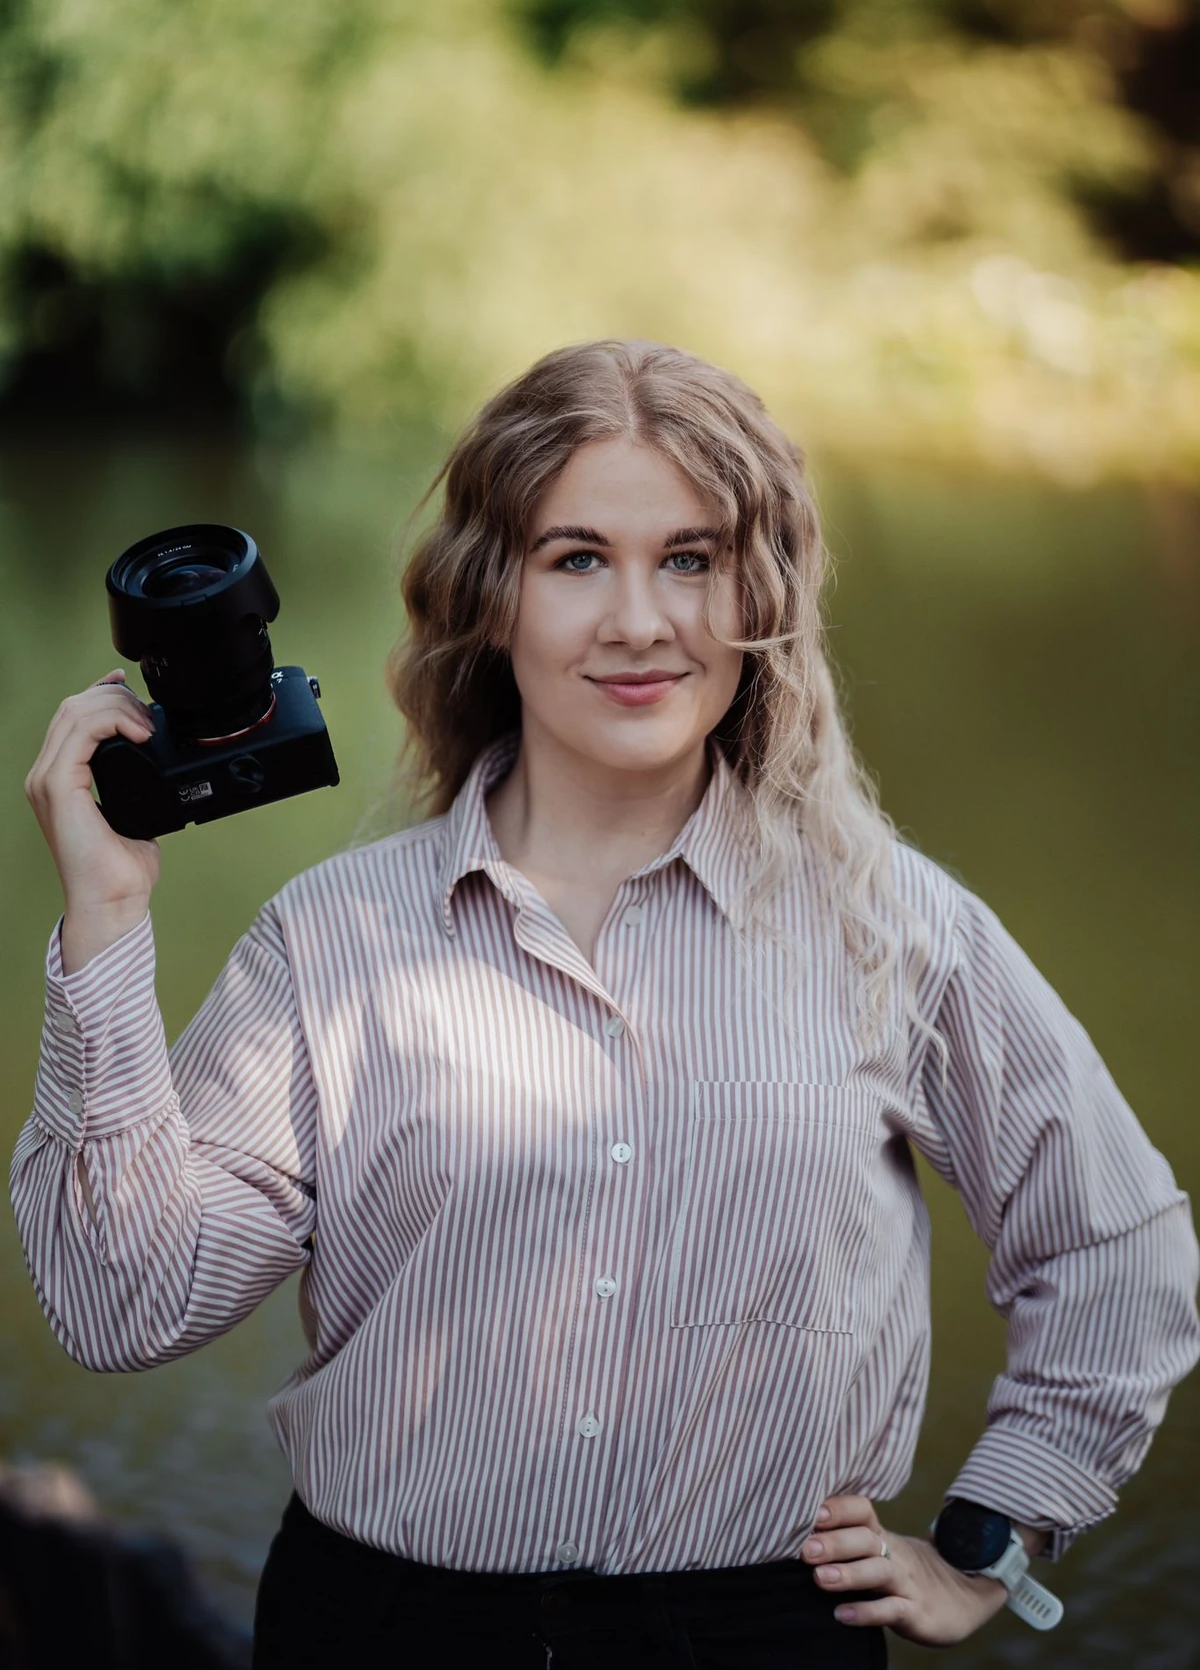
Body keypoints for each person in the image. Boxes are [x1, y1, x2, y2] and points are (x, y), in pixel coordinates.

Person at [14, 339, 1200, 1669]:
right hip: (384, 1632)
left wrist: (994, 1531)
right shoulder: (335, 940)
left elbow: (1118, 1248)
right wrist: (107, 920)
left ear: (762, 597)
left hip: (761, 1637)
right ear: (492, 598)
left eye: (690, 558)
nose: (641, 621)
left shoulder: (893, 924)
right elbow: (123, 1304)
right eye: (578, 558)